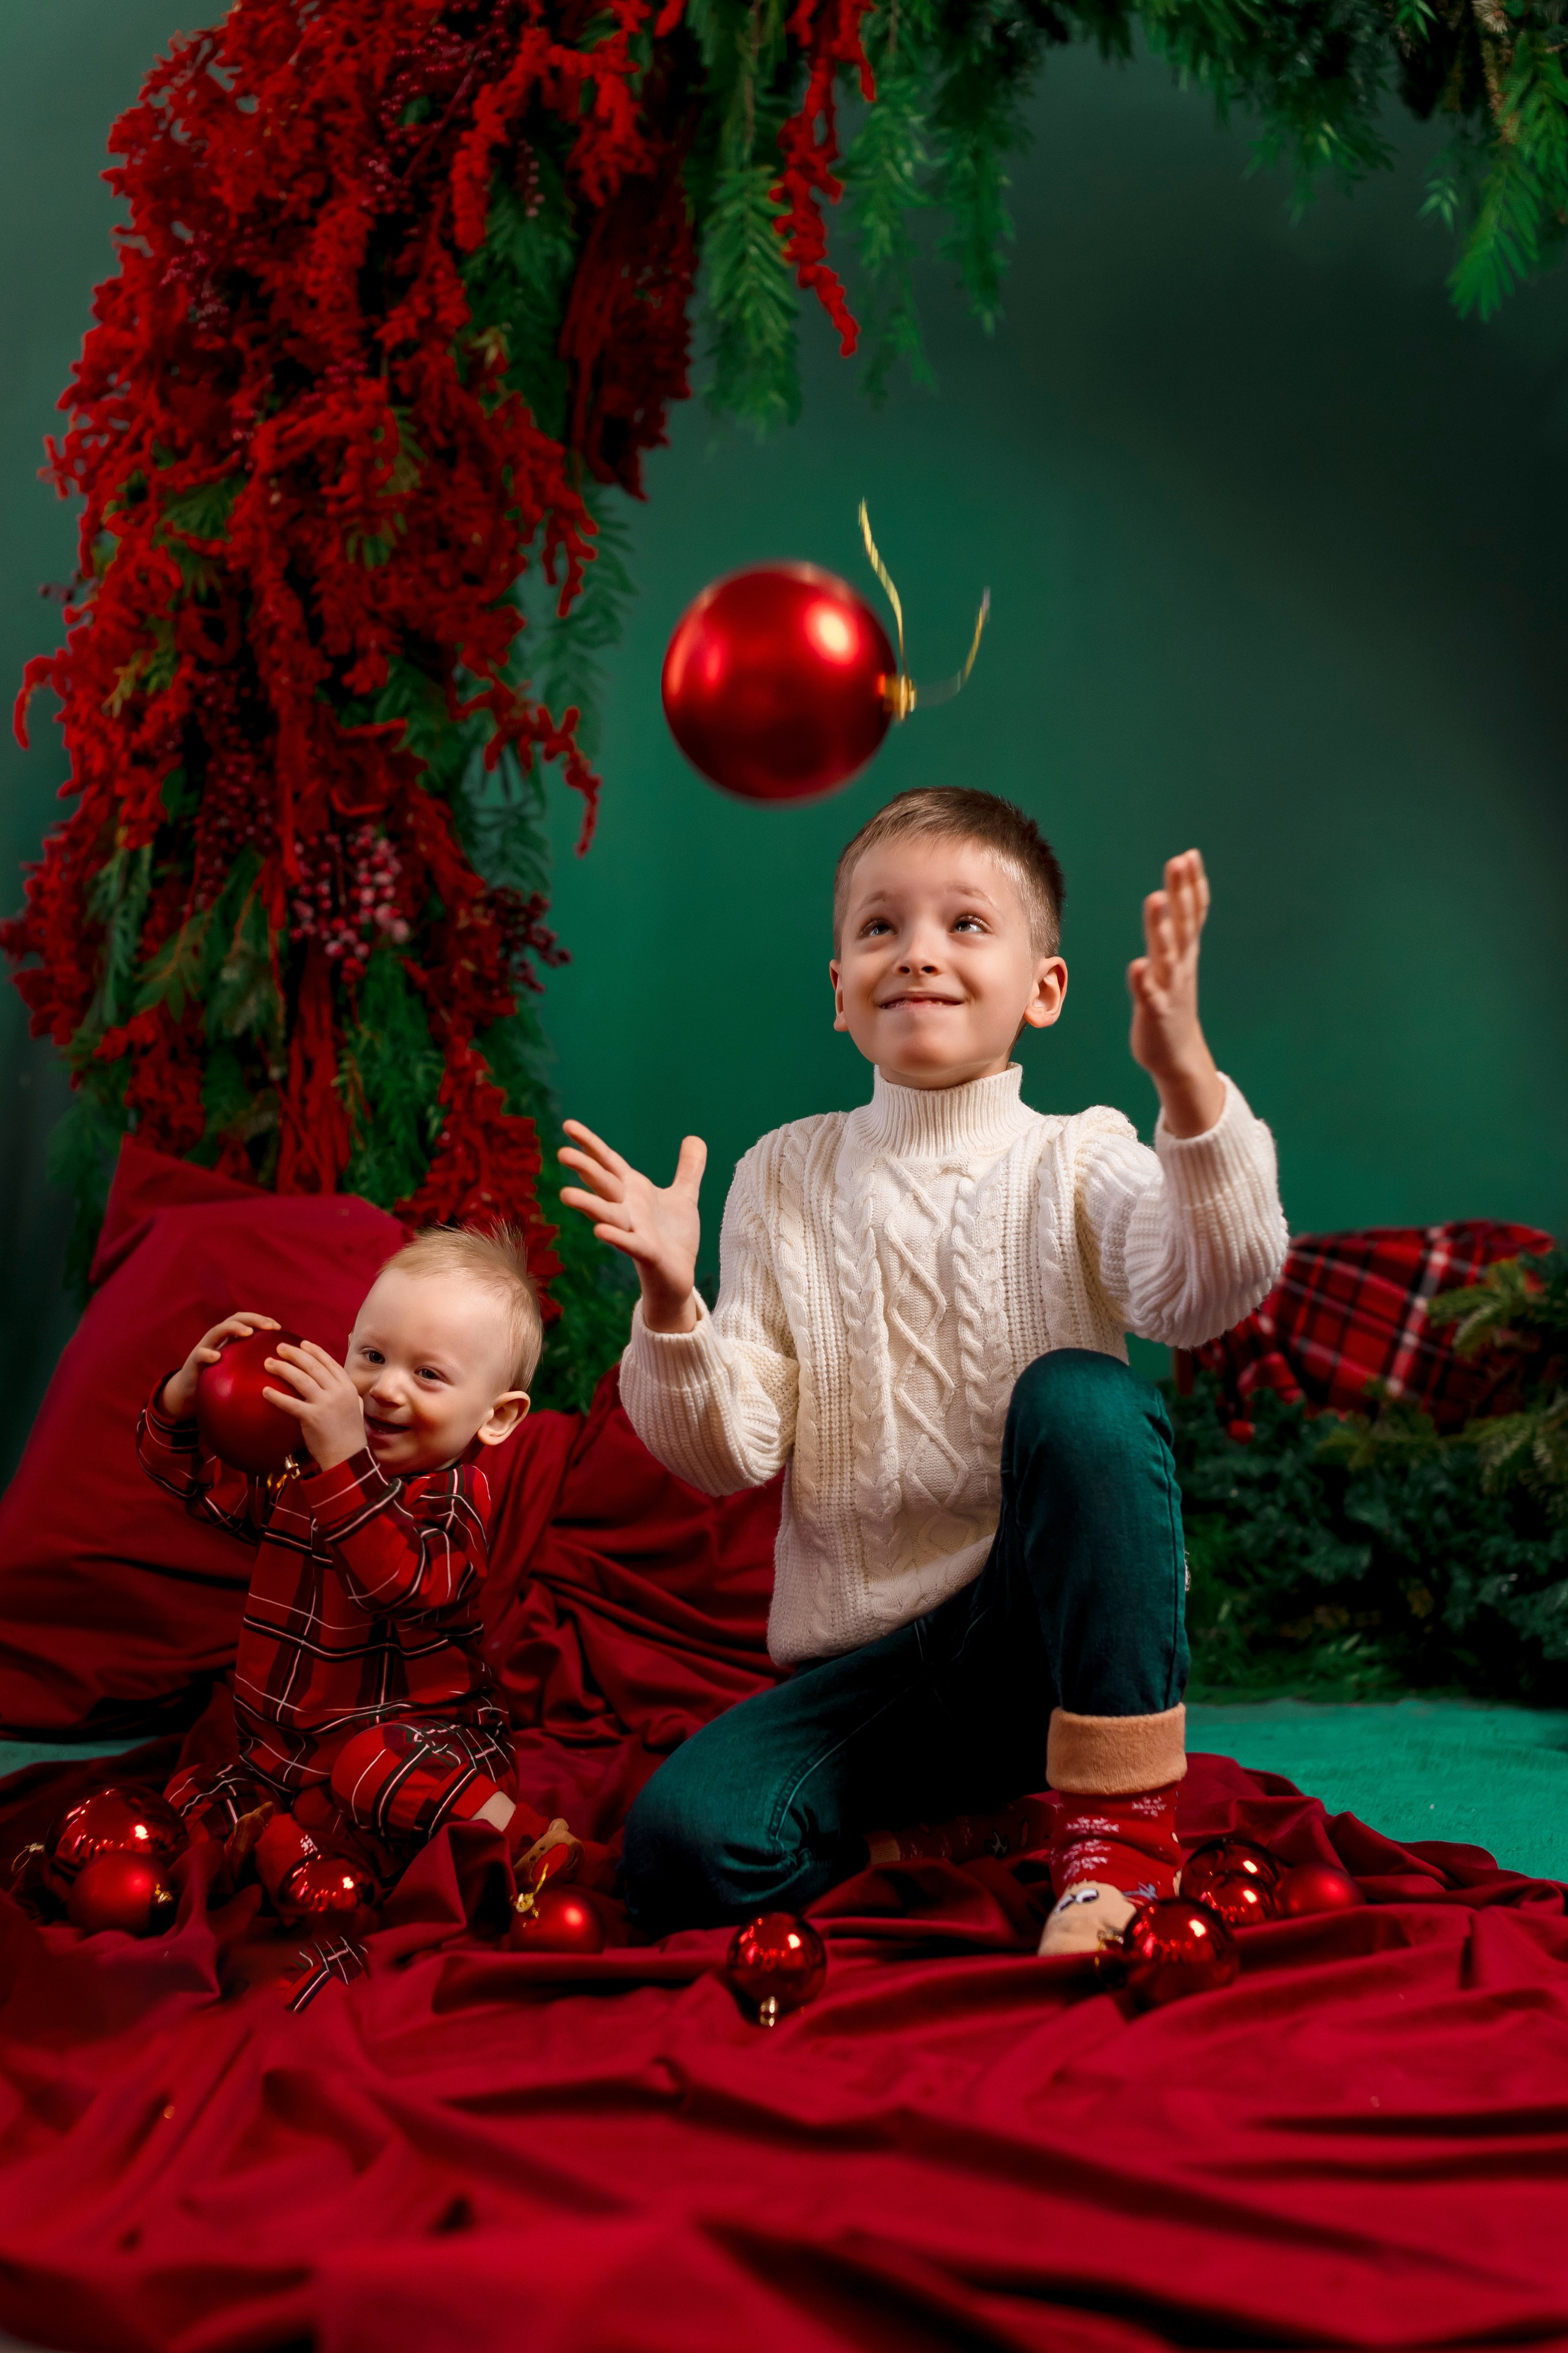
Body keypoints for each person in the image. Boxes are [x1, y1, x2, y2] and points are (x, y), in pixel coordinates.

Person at [559, 787, 1288, 1954]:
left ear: (1044, 989)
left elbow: (1207, 1290)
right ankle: (956, 1833)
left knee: (1083, 1394)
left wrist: (1188, 1082)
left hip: (1050, 1649)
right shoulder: (782, 1176)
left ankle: (1116, 1842)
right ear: (838, 991)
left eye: (966, 924)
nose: (917, 954)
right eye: (879, 928)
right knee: (680, 1851)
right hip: (878, 1687)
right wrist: (669, 1301)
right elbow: (729, 1450)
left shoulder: (1079, 1155)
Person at [138, 1224, 579, 1908]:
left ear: (496, 1417)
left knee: (373, 1770)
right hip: (287, 1758)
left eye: (428, 1374)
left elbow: (402, 1582)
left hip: (422, 1749)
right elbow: (199, 1488)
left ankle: (525, 1840)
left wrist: (343, 1459)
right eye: (372, 1355)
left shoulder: (454, 1498)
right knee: (192, 1796)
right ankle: (301, 1847)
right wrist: (184, 1397)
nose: (384, 1389)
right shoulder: (303, 1468)